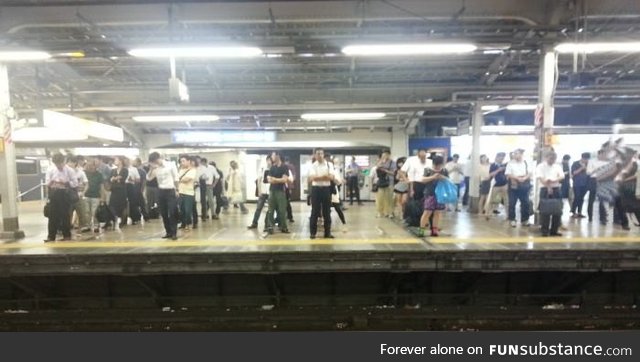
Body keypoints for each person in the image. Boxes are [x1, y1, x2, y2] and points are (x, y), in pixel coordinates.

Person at [44, 153, 79, 242]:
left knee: (65, 216)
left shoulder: (70, 170)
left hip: (65, 194)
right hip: (54, 193)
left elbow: (75, 183)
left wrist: (66, 183)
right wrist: (52, 182)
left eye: (60, 163)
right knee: (52, 216)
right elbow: (47, 182)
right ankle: (51, 236)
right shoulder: (50, 169)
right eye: (57, 164)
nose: (59, 166)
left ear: (64, 161)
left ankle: (67, 235)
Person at [147, 152, 179, 240]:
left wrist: (177, 190)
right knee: (164, 213)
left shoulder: (171, 165)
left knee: (172, 212)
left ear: (159, 158)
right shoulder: (155, 168)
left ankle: (174, 233)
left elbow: (176, 177)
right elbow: (148, 178)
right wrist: (151, 169)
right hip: (160, 191)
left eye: (156, 160)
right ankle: (168, 232)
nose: (156, 162)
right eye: (153, 162)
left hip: (171, 191)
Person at [308, 148, 335, 239]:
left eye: (321, 153)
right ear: (315, 155)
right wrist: (324, 176)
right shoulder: (313, 165)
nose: (319, 155)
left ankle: (327, 233)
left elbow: (331, 177)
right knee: (314, 211)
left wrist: (318, 177)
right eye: (317, 154)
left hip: (326, 190)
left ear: (323, 154)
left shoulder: (329, 164)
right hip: (316, 190)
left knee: (327, 212)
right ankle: (312, 233)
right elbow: (312, 178)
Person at [419, 155, 449, 237]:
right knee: (427, 212)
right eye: (436, 165)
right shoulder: (428, 170)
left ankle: (434, 230)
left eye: (439, 165)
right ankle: (421, 230)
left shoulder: (444, 171)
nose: (438, 167)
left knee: (437, 213)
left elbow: (448, 181)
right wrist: (433, 177)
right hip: (430, 194)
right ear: (433, 163)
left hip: (440, 195)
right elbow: (422, 180)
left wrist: (442, 177)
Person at [536, 151, 565, 237]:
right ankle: (544, 230)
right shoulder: (541, 166)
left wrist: (554, 180)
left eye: (554, 159)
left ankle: (554, 230)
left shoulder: (557, 166)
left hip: (556, 189)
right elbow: (540, 178)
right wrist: (548, 186)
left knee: (557, 211)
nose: (552, 160)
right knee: (545, 211)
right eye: (551, 158)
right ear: (546, 157)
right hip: (544, 189)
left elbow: (562, 176)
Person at [505, 148, 532, 228]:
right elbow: (508, 174)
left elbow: (530, 173)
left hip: (524, 184)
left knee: (525, 202)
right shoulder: (510, 163)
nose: (515, 155)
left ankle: (525, 220)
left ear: (521, 154)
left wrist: (524, 178)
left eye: (517, 153)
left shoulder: (526, 162)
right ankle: (512, 219)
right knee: (512, 203)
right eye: (514, 153)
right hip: (514, 184)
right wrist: (517, 178)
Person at [265, 151, 290, 234]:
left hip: (281, 191)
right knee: (270, 210)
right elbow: (268, 179)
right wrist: (277, 180)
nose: (272, 157)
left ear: (277, 156)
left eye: (273, 155)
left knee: (282, 210)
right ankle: (270, 226)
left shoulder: (284, 167)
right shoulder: (272, 167)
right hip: (272, 191)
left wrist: (275, 179)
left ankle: (283, 227)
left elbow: (285, 179)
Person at [249, 155, 272, 230]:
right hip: (263, 191)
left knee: (270, 209)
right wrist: (259, 191)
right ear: (267, 160)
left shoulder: (274, 169)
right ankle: (254, 223)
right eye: (268, 160)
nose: (270, 162)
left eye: (271, 160)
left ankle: (267, 224)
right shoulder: (262, 169)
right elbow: (258, 180)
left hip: (271, 191)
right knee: (258, 208)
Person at [84, 159, 105, 233]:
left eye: (91, 165)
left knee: (94, 212)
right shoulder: (85, 173)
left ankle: (96, 225)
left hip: (96, 196)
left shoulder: (99, 174)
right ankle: (88, 226)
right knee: (86, 212)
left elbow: (102, 187)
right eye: (88, 165)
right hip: (86, 195)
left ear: (95, 166)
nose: (90, 167)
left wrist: (102, 198)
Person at [177, 155, 197, 231]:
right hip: (180, 192)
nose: (182, 163)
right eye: (181, 161)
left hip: (189, 193)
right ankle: (183, 223)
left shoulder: (193, 170)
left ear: (188, 161)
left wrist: (178, 179)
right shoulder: (180, 170)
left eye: (183, 161)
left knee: (187, 210)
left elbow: (187, 179)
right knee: (182, 209)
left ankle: (189, 224)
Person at [109, 156, 129, 229]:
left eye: (116, 160)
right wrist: (115, 179)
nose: (115, 161)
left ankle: (123, 221)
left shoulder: (125, 170)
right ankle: (114, 218)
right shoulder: (113, 170)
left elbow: (122, 177)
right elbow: (110, 179)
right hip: (114, 190)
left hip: (122, 190)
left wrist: (115, 178)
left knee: (122, 206)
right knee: (111, 205)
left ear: (120, 161)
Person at [375, 150, 395, 218]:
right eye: (383, 155)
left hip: (389, 182)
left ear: (389, 155)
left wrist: (386, 171)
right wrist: (380, 162)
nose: (384, 156)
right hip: (381, 182)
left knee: (389, 199)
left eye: (386, 155)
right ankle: (380, 212)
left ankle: (389, 212)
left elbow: (394, 173)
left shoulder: (392, 163)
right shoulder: (381, 162)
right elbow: (377, 168)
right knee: (380, 198)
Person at [570, 152, 590, 219]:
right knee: (577, 197)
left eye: (587, 159)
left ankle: (579, 212)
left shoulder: (588, 164)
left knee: (581, 198)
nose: (586, 161)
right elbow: (573, 173)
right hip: (577, 184)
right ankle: (573, 212)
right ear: (582, 158)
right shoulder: (575, 163)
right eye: (585, 159)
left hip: (585, 184)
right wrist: (581, 168)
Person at [125, 158, 142, 225]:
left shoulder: (133, 169)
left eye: (127, 161)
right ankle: (123, 219)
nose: (126, 162)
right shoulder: (121, 169)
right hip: (122, 186)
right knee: (123, 203)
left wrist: (132, 180)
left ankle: (135, 218)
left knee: (133, 203)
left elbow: (138, 180)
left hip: (130, 186)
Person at [283, 157, 296, 223]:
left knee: (286, 203)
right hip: (288, 187)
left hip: (285, 187)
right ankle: (290, 217)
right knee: (287, 202)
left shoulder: (286, 167)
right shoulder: (291, 166)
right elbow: (293, 177)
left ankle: (286, 216)